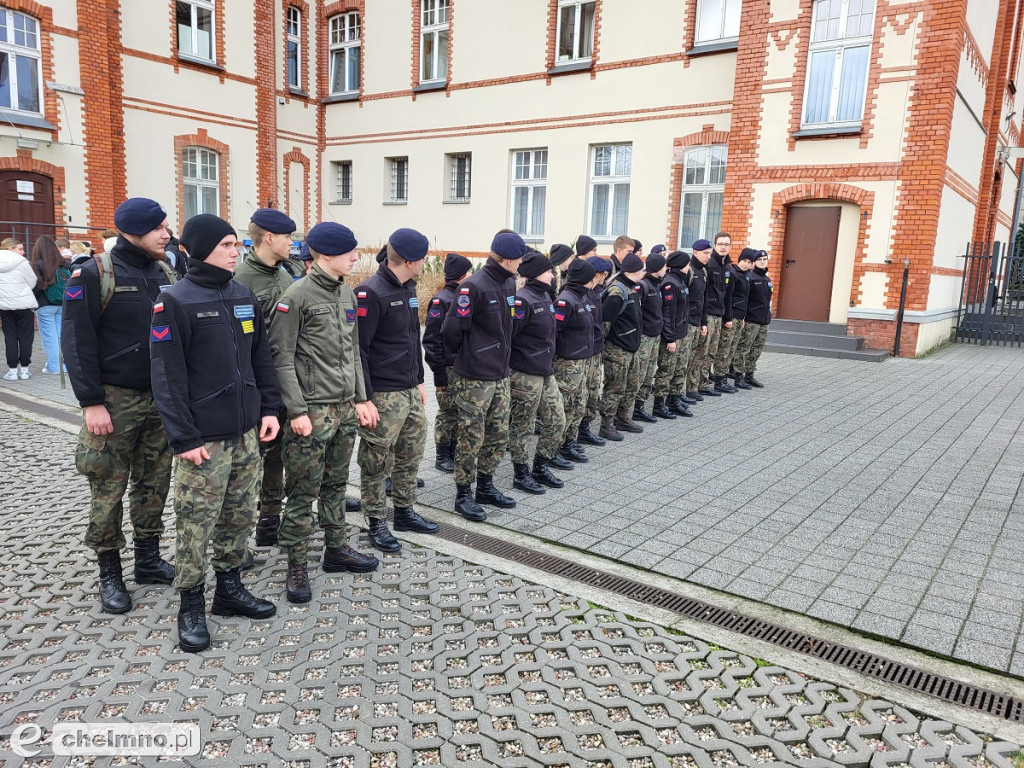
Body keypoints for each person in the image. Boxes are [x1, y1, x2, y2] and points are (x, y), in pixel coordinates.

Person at [150, 213, 282, 653]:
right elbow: (167, 378)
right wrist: (184, 437)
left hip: (246, 430)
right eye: (227, 245)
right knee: (194, 524)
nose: (235, 252)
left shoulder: (242, 294)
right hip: (203, 438)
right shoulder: (175, 300)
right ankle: (190, 604)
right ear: (201, 247)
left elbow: (260, 356)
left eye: (236, 245)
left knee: (238, 514)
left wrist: (269, 408)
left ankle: (229, 590)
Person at [61, 198, 176, 614]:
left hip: (160, 401)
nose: (167, 234)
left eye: (166, 226)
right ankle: (110, 571)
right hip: (113, 401)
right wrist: (91, 402)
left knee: (154, 482)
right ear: (134, 232)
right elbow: (76, 341)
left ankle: (147, 560)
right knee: (108, 487)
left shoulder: (164, 272)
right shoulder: (94, 273)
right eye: (159, 228)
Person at [270, 221, 380, 602]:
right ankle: (296, 563)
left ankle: (336, 549)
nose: (356, 257)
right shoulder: (296, 296)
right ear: (325, 255)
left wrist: (362, 399)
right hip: (311, 413)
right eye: (350, 252)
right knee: (303, 490)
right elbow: (281, 357)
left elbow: (353, 353)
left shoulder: (346, 294)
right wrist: (296, 410)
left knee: (336, 484)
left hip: (344, 409)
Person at [356, 228, 438, 551]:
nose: (425, 263)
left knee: (411, 451)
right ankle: (375, 522)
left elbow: (411, 340)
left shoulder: (409, 287)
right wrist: (364, 397)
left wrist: (419, 379)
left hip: (408, 389)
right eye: (422, 258)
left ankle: (404, 510)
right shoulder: (370, 292)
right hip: (383, 393)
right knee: (376, 460)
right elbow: (359, 350)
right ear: (408, 261)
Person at [441, 231, 528, 521]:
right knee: (471, 436)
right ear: (506, 259)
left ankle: (486, 486)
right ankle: (463, 493)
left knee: (498, 433)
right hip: (475, 377)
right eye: (519, 259)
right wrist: (467, 358)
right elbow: (451, 331)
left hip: (500, 374)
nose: (521, 264)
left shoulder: (507, 284)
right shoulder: (472, 287)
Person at [233, 208, 297, 548]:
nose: (292, 242)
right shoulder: (241, 280)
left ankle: (270, 521)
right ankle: (237, 535)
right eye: (288, 237)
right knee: (251, 460)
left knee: (277, 457)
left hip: (286, 384)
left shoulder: (286, 276)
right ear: (269, 238)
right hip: (255, 384)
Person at [508, 250, 568, 494]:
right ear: (534, 274)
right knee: (523, 425)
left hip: (545, 370)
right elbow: (510, 336)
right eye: (548, 271)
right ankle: (521, 473)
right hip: (525, 373)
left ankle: (541, 465)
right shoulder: (522, 300)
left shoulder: (543, 296)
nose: (553, 276)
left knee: (557, 419)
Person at [423, 252, 473, 473]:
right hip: (447, 367)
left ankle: (453, 450)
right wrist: (438, 373)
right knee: (447, 413)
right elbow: (431, 340)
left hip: (462, 366)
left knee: (459, 411)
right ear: (462, 274)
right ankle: (442, 455)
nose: (472, 275)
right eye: (469, 271)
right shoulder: (441, 300)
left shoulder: (464, 296)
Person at [553, 258, 598, 464]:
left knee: (578, 405)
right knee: (567, 405)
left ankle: (570, 441)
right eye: (591, 277)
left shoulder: (582, 297)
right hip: (568, 364)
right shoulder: (566, 300)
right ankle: (557, 446)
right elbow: (554, 332)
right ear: (584, 279)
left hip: (583, 360)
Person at [597, 252, 646, 441]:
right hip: (617, 350)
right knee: (615, 387)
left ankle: (623, 418)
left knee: (631, 385)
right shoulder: (617, 292)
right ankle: (606, 425)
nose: (644, 273)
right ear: (635, 272)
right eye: (642, 270)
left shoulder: (630, 288)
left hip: (631, 348)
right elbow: (605, 323)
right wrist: (610, 348)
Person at [653, 250, 694, 418]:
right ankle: (659, 404)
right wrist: (670, 338)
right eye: (687, 264)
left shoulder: (680, 282)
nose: (689, 266)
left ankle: (674, 399)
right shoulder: (670, 284)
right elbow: (668, 314)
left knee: (679, 369)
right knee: (667, 370)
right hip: (673, 336)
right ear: (681, 265)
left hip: (681, 333)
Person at [692, 232, 732, 396]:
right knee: (702, 351)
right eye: (720, 244)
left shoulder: (726, 265)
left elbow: (726, 293)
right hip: (707, 314)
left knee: (712, 351)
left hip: (718, 314)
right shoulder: (709, 264)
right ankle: (696, 385)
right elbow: (705, 293)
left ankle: (703, 382)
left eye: (726, 244)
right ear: (715, 245)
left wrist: (727, 316)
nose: (723, 247)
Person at [631, 252, 668, 422]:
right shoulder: (642, 286)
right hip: (645, 337)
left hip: (655, 336)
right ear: (657, 269)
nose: (666, 269)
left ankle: (640, 408)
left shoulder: (658, 284)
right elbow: (636, 313)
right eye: (664, 266)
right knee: (639, 375)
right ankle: (626, 412)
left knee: (648, 375)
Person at [578, 254, 610, 448]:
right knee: (584, 393)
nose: (605, 277)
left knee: (592, 391)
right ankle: (579, 431)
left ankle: (585, 428)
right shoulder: (584, 294)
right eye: (603, 274)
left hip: (596, 349)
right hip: (585, 352)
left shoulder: (598, 292)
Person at [29, 235, 71, 375]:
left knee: (49, 336)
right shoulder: (62, 262)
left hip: (44, 304)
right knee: (60, 334)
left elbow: (37, 285)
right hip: (61, 303)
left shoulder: (38, 264)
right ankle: (63, 363)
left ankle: (54, 366)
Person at [719, 248, 755, 391]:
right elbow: (728, 298)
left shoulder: (745, 275)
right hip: (732, 316)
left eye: (749, 262)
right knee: (725, 349)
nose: (746, 264)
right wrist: (729, 317)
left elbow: (744, 298)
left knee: (733, 348)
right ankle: (720, 379)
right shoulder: (733, 274)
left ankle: (725, 376)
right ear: (739, 260)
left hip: (740, 316)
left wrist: (743, 317)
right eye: (744, 261)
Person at [0, 242, 37, 380]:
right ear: (10, 248)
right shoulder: (22, 263)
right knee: (26, 337)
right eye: (20, 249)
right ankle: (25, 370)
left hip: (5, 305)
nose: (23, 252)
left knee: (10, 337)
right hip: (24, 304)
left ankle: (12, 370)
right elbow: (32, 282)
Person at [736, 250, 772, 388]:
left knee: (757, 349)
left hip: (764, 319)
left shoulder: (766, 279)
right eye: (759, 259)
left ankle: (749, 374)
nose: (762, 261)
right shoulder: (750, 277)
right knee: (744, 348)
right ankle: (739, 376)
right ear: (754, 262)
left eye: (764, 259)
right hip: (751, 319)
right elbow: (744, 299)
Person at [684, 239, 712, 402]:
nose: (708, 256)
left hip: (698, 320)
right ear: (695, 252)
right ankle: (679, 391)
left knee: (697, 356)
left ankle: (692, 387)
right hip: (687, 321)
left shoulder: (703, 271)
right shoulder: (689, 270)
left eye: (710, 253)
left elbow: (703, 298)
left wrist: (704, 322)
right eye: (705, 253)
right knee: (685, 358)